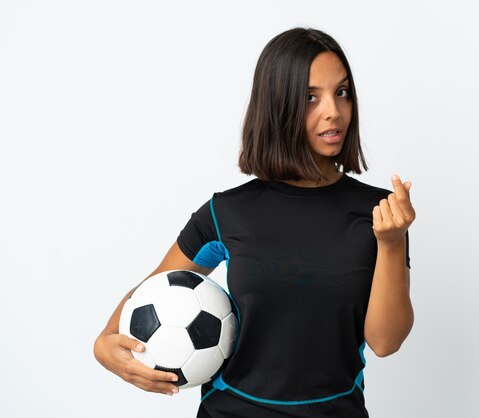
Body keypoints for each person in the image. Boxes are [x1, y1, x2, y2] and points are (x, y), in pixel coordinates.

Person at [93, 27, 415, 418]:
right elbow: (146, 298)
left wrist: (392, 241)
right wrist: (104, 347)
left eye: (342, 92)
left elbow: (385, 341)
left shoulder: (380, 212)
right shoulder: (226, 212)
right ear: (278, 104)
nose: (333, 110)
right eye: (310, 97)